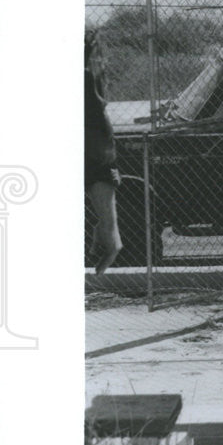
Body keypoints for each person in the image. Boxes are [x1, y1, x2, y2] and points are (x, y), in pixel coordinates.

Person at [84, 29, 123, 274]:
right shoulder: (91, 77)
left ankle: (93, 267)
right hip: (97, 150)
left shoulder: (90, 77)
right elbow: (100, 112)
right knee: (110, 230)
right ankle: (95, 270)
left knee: (109, 227)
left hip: (94, 150)